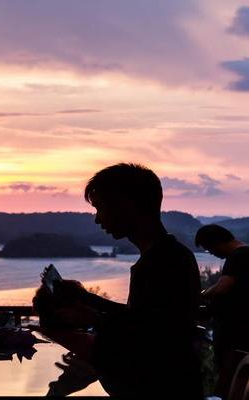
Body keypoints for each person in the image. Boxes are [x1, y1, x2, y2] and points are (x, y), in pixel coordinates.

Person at [34, 163, 202, 397]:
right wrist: (88, 299)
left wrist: (93, 319)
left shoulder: (164, 261)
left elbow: (155, 336)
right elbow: (143, 318)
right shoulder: (166, 255)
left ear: (126, 206)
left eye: (100, 207)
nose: (97, 219)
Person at [196, 224, 249, 394]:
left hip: (235, 330)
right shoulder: (245, 252)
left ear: (216, 242)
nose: (212, 254)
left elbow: (223, 287)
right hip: (241, 328)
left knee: (230, 375)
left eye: (210, 249)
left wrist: (202, 294)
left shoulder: (238, 256)